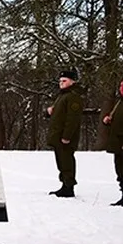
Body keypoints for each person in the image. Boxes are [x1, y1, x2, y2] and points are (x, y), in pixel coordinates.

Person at [46, 69, 83, 198]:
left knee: (67, 161)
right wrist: (50, 111)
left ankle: (69, 187)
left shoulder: (73, 96)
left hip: (65, 138)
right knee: (61, 161)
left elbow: (72, 119)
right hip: (58, 137)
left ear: (72, 82)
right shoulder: (62, 95)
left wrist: (67, 136)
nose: (61, 83)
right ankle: (64, 185)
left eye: (64, 81)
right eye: (60, 81)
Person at [101, 76, 123, 206]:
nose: (121, 88)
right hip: (117, 143)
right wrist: (108, 121)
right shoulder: (119, 102)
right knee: (120, 170)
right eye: (121, 85)